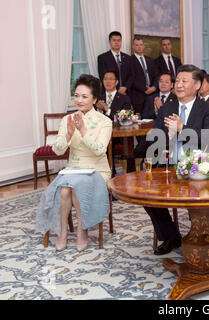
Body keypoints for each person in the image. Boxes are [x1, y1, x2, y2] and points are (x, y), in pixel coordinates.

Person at [144, 65, 209, 255]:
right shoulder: (167, 107)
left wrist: (182, 128)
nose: (178, 84)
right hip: (168, 165)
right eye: (177, 80)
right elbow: (157, 136)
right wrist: (165, 138)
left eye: (184, 81)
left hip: (198, 167)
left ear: (197, 85)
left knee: (196, 196)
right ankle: (171, 236)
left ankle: (202, 236)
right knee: (147, 196)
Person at [35, 74, 112, 252]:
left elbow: (100, 150)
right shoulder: (67, 120)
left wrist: (83, 130)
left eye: (84, 96)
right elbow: (58, 150)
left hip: (97, 170)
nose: (79, 100)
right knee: (64, 189)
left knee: (76, 187)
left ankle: (81, 231)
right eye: (76, 95)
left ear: (94, 99)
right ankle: (62, 232)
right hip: (73, 169)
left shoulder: (104, 121)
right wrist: (69, 134)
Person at [97, 31, 133, 101]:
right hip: (110, 94)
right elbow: (103, 77)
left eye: (119, 40)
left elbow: (131, 75)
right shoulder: (102, 58)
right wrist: (117, 89)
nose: (116, 43)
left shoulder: (128, 58)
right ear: (109, 42)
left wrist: (125, 88)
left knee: (126, 112)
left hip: (126, 93)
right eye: (114, 40)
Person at [130, 36, 159, 115]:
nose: (139, 47)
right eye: (137, 45)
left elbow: (156, 76)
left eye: (141, 45)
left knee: (152, 119)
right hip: (138, 97)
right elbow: (131, 78)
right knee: (139, 121)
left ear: (144, 46)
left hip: (152, 95)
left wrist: (154, 87)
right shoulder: (129, 60)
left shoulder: (150, 60)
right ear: (133, 46)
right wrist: (145, 89)